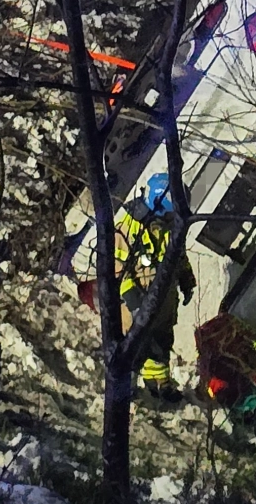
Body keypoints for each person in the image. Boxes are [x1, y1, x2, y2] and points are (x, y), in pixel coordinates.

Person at [114, 172, 196, 403]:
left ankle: (159, 383)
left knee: (161, 344)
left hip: (164, 302)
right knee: (133, 346)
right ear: (160, 205)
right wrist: (133, 301)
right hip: (136, 304)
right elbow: (116, 270)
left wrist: (187, 280)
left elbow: (179, 255)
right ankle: (123, 387)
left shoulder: (170, 227)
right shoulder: (127, 230)